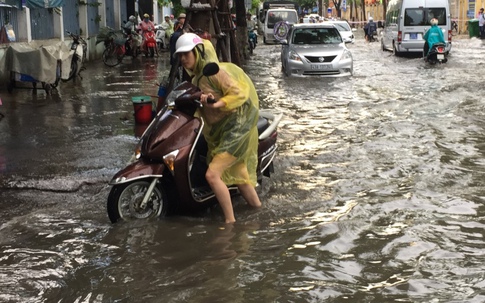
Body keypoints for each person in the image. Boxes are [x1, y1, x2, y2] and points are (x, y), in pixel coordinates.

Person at [173, 33, 262, 224]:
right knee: (240, 177)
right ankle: (259, 212)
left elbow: (239, 94)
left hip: (237, 128)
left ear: (197, 52)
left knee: (212, 175)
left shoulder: (214, 72)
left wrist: (218, 103)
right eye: (180, 55)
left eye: (186, 54)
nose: (183, 59)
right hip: (221, 131)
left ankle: (230, 223)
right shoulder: (197, 80)